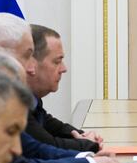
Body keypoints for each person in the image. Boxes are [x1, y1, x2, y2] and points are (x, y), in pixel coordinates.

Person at [0, 13, 124, 163]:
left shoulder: (5, 98)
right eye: (27, 56)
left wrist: (86, 153)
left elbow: (34, 149)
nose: (31, 67)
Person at [27, 24, 102, 152]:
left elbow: (52, 126)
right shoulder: (12, 102)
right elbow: (47, 146)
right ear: (31, 63)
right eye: (57, 62)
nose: (64, 69)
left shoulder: (33, 99)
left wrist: (83, 135)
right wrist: (87, 144)